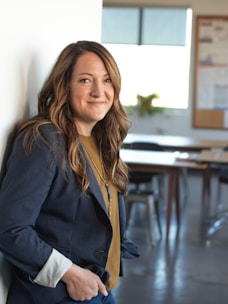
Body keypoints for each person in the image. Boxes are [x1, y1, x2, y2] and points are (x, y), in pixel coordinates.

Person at [0, 41, 139, 304]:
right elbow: (10, 227)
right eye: (86, 80)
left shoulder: (102, 140)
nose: (99, 91)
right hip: (62, 294)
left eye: (107, 80)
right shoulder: (45, 139)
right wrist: (71, 274)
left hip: (100, 287)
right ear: (64, 85)